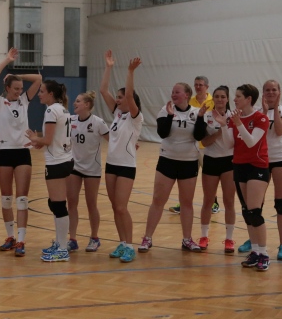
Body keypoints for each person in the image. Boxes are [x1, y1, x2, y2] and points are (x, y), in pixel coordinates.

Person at [139, 82, 207, 254]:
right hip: (167, 161)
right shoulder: (165, 110)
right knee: (158, 200)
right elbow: (162, 133)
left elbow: (199, 136)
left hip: (189, 162)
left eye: (177, 92)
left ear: (186, 95)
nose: (173, 94)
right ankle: (147, 238)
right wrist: (170, 116)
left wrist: (200, 118)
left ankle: (187, 239)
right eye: (172, 92)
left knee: (186, 203)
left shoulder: (196, 112)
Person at [0, 48, 42, 257]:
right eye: (16, 88)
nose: (19, 91)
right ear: (7, 88)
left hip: (22, 153)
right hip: (4, 153)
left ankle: (21, 240)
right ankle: (10, 236)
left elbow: (38, 79)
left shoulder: (24, 100)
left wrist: (16, 74)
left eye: (21, 88)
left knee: (22, 199)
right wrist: (6, 61)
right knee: (6, 198)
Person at [213, 84, 272, 271]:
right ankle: (255, 251)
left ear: (248, 99)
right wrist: (224, 125)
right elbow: (229, 144)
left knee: (255, 211)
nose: (234, 99)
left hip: (257, 166)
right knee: (247, 211)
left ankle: (264, 253)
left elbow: (251, 142)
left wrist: (238, 123)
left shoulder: (260, 118)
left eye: (238, 96)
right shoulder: (233, 118)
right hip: (239, 166)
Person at [237, 80, 282, 261]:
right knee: (254, 206)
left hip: (280, 158)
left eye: (274, 90)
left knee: (281, 203)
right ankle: (254, 240)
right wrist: (263, 111)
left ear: (279, 92)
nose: (270, 92)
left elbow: (279, 131)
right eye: (267, 90)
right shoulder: (256, 112)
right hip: (259, 160)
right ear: (262, 93)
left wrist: (274, 110)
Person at [99, 51, 143, 263]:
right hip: (111, 165)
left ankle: (130, 246)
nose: (117, 100)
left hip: (126, 166)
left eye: (120, 97)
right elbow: (102, 90)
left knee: (121, 207)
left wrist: (130, 72)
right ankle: (122, 243)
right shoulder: (117, 114)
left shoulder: (136, 117)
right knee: (114, 207)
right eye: (116, 97)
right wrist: (108, 67)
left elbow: (130, 94)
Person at [26, 80, 73, 262]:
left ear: (51, 94)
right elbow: (54, 139)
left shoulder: (51, 110)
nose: (39, 94)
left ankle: (62, 249)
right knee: (55, 204)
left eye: (42, 91)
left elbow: (47, 139)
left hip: (57, 162)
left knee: (58, 205)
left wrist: (35, 138)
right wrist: (41, 142)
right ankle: (60, 243)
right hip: (65, 159)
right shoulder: (63, 109)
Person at [67, 91, 109, 252]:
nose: (74, 103)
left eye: (78, 101)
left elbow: (112, 140)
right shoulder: (70, 120)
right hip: (74, 167)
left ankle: (94, 238)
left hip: (92, 168)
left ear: (87, 105)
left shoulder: (98, 122)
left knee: (91, 204)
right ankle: (72, 239)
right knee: (72, 202)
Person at [170, 75, 219, 215]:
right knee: (186, 177)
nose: (197, 87)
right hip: (191, 145)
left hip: (207, 146)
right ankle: (183, 203)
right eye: (196, 84)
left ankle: (214, 202)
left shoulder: (213, 101)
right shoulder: (189, 101)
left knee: (209, 178)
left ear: (207, 87)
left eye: (200, 85)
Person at [197, 86, 238, 253]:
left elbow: (235, 142)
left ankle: (229, 239)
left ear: (227, 99)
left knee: (229, 201)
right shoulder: (207, 116)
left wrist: (225, 128)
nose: (220, 99)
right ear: (212, 99)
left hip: (229, 162)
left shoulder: (234, 117)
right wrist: (220, 131)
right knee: (208, 201)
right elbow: (204, 142)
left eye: (223, 96)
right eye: (217, 96)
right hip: (211, 161)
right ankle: (204, 236)